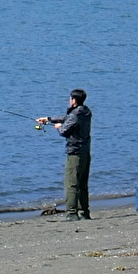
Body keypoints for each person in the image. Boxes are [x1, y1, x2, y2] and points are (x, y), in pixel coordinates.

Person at [38, 89, 93, 220]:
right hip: (85, 152)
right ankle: (83, 212)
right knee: (82, 184)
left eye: (70, 98)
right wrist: (49, 119)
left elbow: (64, 131)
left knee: (71, 184)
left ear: (74, 100)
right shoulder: (86, 111)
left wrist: (58, 127)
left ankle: (72, 213)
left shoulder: (75, 115)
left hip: (75, 153)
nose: (69, 100)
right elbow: (67, 118)